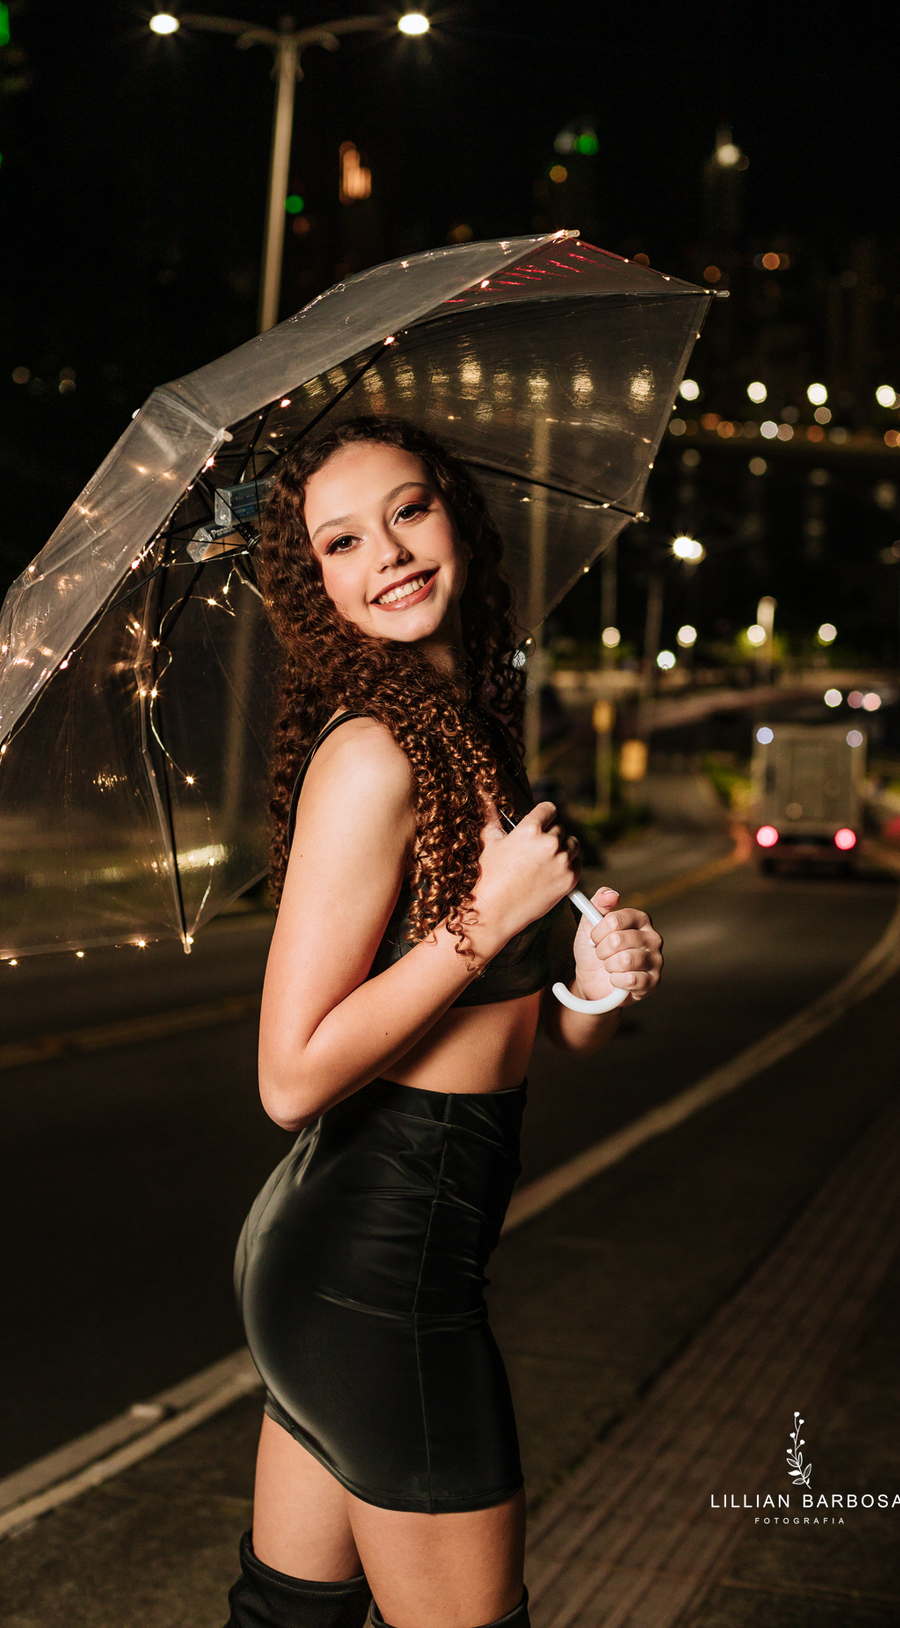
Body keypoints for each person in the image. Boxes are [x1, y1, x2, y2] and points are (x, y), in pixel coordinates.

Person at [225, 417, 663, 1628]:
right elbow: (288, 1078)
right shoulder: (373, 757)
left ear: (456, 516)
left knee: (288, 1622)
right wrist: (487, 915)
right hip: (379, 1270)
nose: (389, 555)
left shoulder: (464, 731)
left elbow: (528, 1034)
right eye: (341, 542)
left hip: (364, 1259)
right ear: (315, 588)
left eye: (408, 511)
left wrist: (592, 984)